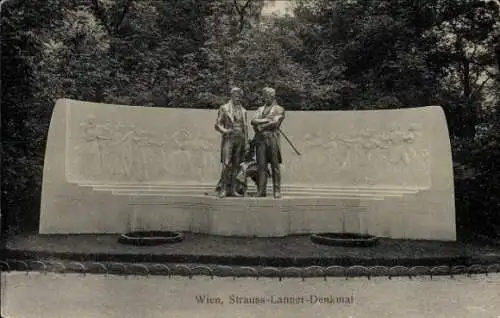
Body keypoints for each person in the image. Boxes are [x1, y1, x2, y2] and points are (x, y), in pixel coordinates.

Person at [251, 87, 285, 198]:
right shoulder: (260, 109)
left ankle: (277, 190)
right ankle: (261, 190)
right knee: (261, 166)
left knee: (275, 165)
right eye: (265, 96)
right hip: (260, 140)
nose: (266, 97)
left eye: (268, 96)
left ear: (273, 96)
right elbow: (253, 121)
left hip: (272, 139)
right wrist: (267, 120)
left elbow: (275, 123)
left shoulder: (279, 109)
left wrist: (261, 126)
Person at [214, 87, 249, 198]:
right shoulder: (224, 108)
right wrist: (225, 131)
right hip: (229, 138)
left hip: (240, 139)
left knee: (236, 165)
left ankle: (233, 189)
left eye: (239, 96)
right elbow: (217, 125)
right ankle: (223, 189)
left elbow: (246, 128)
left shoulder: (244, 110)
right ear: (232, 95)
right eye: (236, 95)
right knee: (226, 164)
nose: (238, 98)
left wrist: (246, 142)